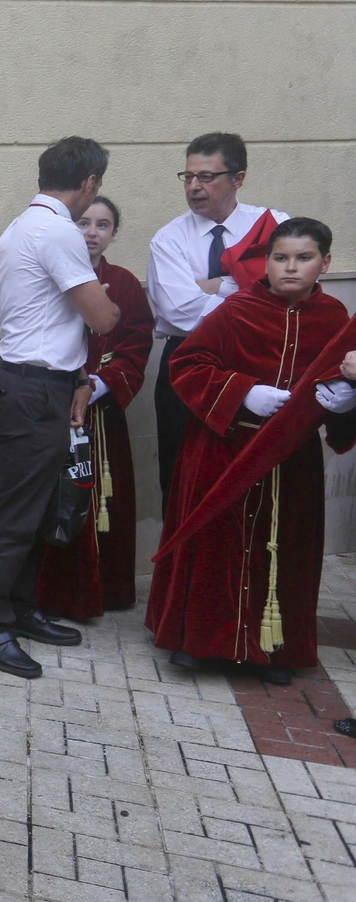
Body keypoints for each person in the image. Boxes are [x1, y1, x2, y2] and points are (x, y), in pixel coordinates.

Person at [147, 219, 353, 684]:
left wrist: (347, 400)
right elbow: (188, 363)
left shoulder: (335, 318)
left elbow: (342, 379)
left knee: (282, 550)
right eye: (281, 258)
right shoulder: (237, 308)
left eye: (304, 258)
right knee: (215, 546)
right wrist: (242, 392)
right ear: (267, 262)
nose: (291, 268)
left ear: (325, 262)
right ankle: (198, 643)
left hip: (291, 458)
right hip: (224, 449)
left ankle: (271, 649)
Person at [0, 137, 121, 680]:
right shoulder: (56, 230)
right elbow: (102, 319)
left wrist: (78, 377)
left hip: (39, 385)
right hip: (34, 390)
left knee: (32, 510)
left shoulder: (21, 226)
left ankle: (18, 610)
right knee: (16, 514)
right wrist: (112, 302)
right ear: (89, 184)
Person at [148, 133, 289, 510]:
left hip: (259, 358)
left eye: (207, 177)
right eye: (188, 176)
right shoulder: (169, 238)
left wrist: (217, 286)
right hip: (187, 360)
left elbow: (293, 292)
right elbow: (178, 309)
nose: (194, 187)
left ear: (238, 178)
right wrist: (248, 290)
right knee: (180, 471)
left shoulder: (274, 226)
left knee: (247, 474)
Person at [34, 197, 154, 616]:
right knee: (53, 498)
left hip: (105, 413)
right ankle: (55, 594)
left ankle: (110, 590)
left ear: (114, 233)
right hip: (55, 411)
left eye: (103, 225)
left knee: (109, 500)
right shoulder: (47, 276)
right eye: (83, 222)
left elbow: (138, 340)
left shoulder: (123, 283)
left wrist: (106, 382)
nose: (91, 232)